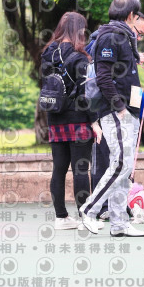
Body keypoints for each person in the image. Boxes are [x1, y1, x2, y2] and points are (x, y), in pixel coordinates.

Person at [79, 0, 144, 237]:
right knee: (120, 164)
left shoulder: (124, 37)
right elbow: (103, 77)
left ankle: (119, 223)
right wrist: (120, 107)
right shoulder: (110, 36)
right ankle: (89, 210)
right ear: (131, 16)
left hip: (128, 110)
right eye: (137, 16)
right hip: (116, 111)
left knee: (124, 167)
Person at [41, 12, 101, 230]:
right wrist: (94, 122)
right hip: (77, 121)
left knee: (58, 169)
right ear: (79, 30)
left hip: (55, 118)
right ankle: (85, 218)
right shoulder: (80, 57)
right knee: (80, 170)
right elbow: (85, 95)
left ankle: (61, 218)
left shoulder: (48, 53)